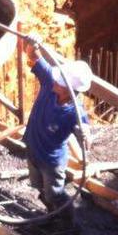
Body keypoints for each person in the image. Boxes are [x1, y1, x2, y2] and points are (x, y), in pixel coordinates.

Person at [23, 41, 92, 222]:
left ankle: (69, 221)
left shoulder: (74, 112)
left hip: (51, 161)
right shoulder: (49, 82)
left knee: (55, 193)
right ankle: (51, 212)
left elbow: (86, 136)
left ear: (70, 90)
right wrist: (32, 43)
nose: (55, 82)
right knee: (38, 186)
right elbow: (33, 55)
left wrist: (85, 135)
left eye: (60, 83)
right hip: (33, 150)